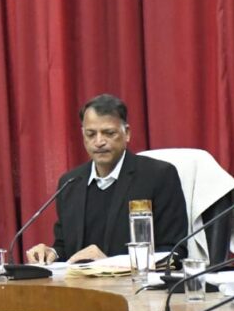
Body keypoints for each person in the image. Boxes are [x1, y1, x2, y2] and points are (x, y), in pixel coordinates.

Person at [26, 94, 188, 264]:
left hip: (134, 280)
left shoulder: (158, 176)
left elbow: (175, 251)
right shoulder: (70, 183)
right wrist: (51, 253)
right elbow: (65, 247)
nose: (99, 142)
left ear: (127, 134)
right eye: (90, 134)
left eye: (109, 133)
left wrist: (111, 263)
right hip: (79, 280)